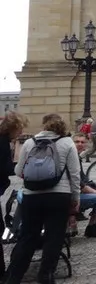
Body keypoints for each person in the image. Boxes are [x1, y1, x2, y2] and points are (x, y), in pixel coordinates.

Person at [6, 114, 80, 284]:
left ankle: (14, 277)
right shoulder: (67, 142)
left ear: (44, 126)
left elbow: (18, 171)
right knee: (54, 237)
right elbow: (75, 175)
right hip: (59, 196)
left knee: (28, 237)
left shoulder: (30, 142)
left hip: (32, 197)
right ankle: (46, 275)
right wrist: (75, 198)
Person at [0, 111, 28, 278]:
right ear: (13, 127)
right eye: (20, 128)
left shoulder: (4, 140)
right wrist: (21, 167)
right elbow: (4, 167)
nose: (21, 132)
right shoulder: (2, 142)